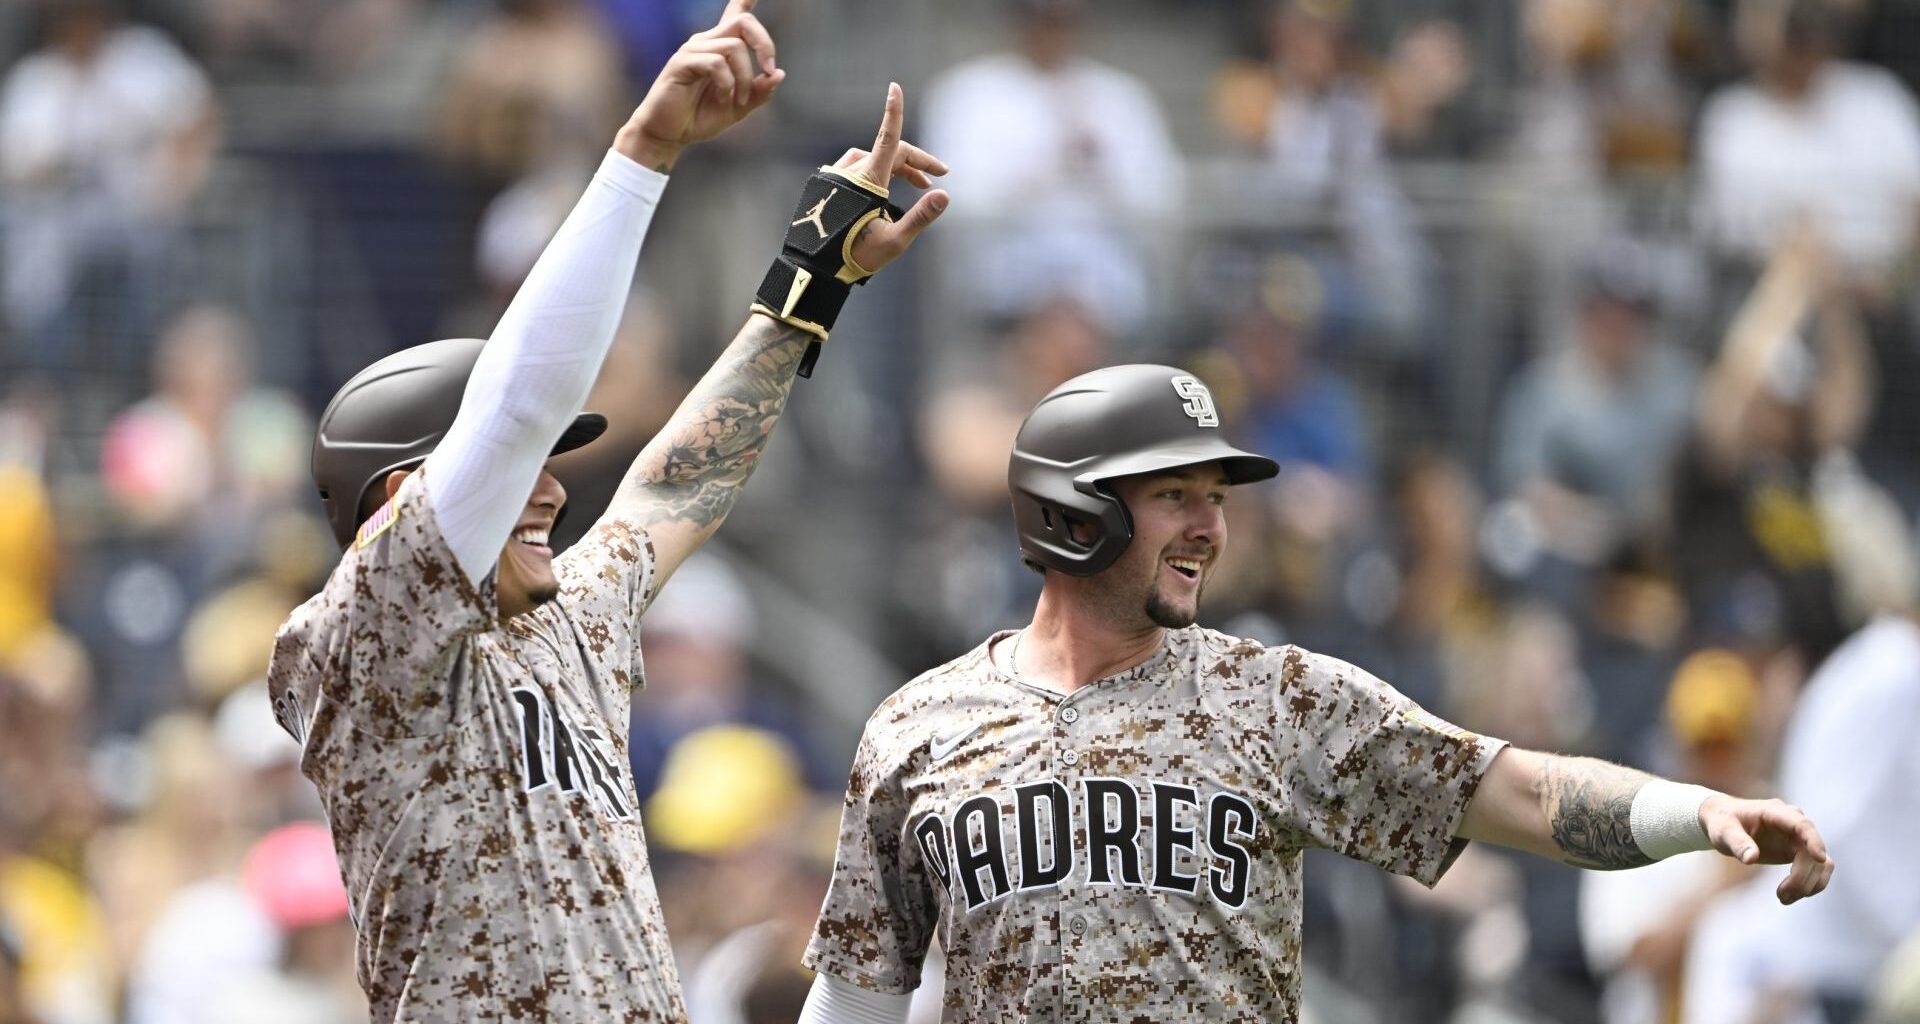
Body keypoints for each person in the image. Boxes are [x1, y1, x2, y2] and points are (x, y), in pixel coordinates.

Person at [266, 2, 950, 1016]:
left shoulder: (568, 618)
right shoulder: (359, 640)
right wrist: (643, 150)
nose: (552, 486)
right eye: (524, 468)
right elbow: (513, 410)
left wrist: (810, 283)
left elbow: (675, 480)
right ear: (402, 501)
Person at [798, 365, 1834, 1023]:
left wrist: (1696, 813)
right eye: (1174, 497)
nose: (1211, 526)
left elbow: (1513, 791)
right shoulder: (917, 729)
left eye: (1215, 498)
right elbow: (855, 997)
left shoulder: (1278, 698)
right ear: (1073, 513)